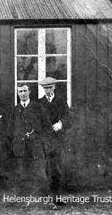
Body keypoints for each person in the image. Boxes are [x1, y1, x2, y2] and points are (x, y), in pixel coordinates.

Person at [7, 83, 52, 199]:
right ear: (17, 93)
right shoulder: (15, 109)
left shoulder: (38, 107)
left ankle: (45, 197)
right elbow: (10, 130)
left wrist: (41, 140)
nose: (22, 94)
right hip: (20, 146)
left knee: (40, 172)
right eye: (20, 91)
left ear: (29, 92)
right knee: (21, 172)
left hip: (36, 146)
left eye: (24, 91)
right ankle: (22, 198)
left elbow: (47, 126)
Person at [38, 77, 70, 206]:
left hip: (58, 140)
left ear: (54, 87)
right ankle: (47, 198)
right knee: (45, 169)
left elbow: (68, 116)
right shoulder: (40, 103)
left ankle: (57, 198)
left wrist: (60, 123)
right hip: (44, 140)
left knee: (57, 169)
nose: (47, 90)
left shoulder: (61, 101)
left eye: (50, 87)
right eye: (45, 88)